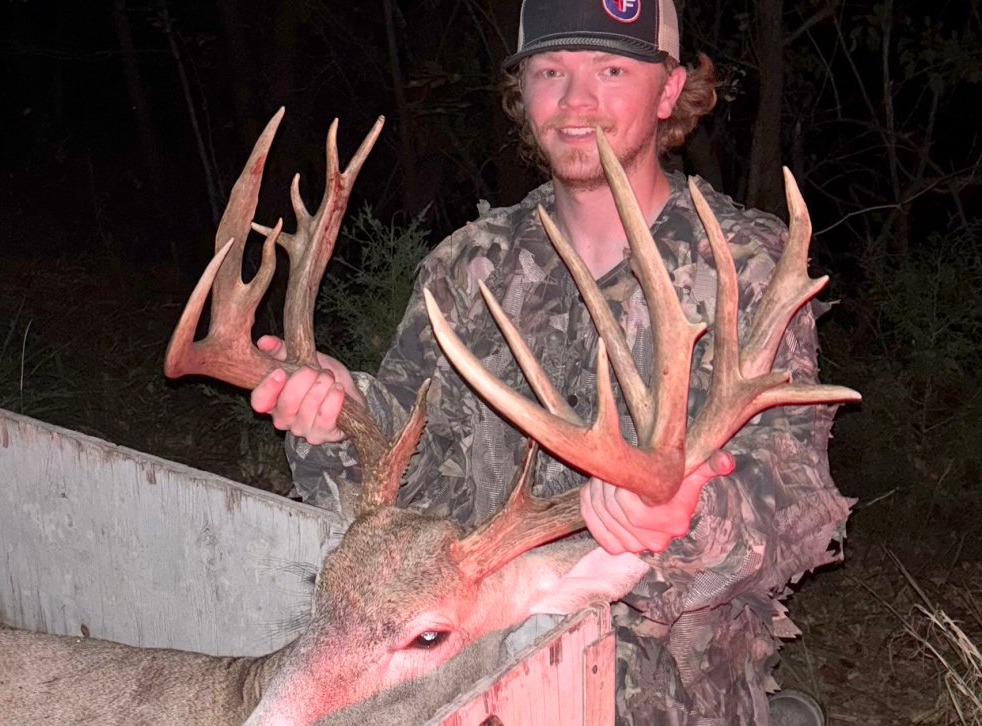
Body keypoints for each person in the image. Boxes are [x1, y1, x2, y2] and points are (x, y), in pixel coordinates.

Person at [250, 0, 851, 723]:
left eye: (611, 70)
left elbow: (796, 503)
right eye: (550, 71)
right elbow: (409, 455)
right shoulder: (469, 264)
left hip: (661, 682)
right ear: (522, 92)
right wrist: (337, 414)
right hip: (460, 657)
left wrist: (681, 515)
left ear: (669, 90)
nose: (576, 100)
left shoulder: (745, 265)